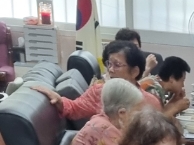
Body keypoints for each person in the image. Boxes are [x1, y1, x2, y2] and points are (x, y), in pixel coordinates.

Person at [31, 41, 161, 122]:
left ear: (134, 72)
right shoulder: (99, 91)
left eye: (117, 65)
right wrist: (59, 100)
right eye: (109, 64)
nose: (110, 70)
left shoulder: (151, 103)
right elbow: (74, 108)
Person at [67, 79, 144, 145]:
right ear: (122, 113)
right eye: (137, 112)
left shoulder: (105, 120)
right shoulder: (103, 130)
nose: (139, 117)